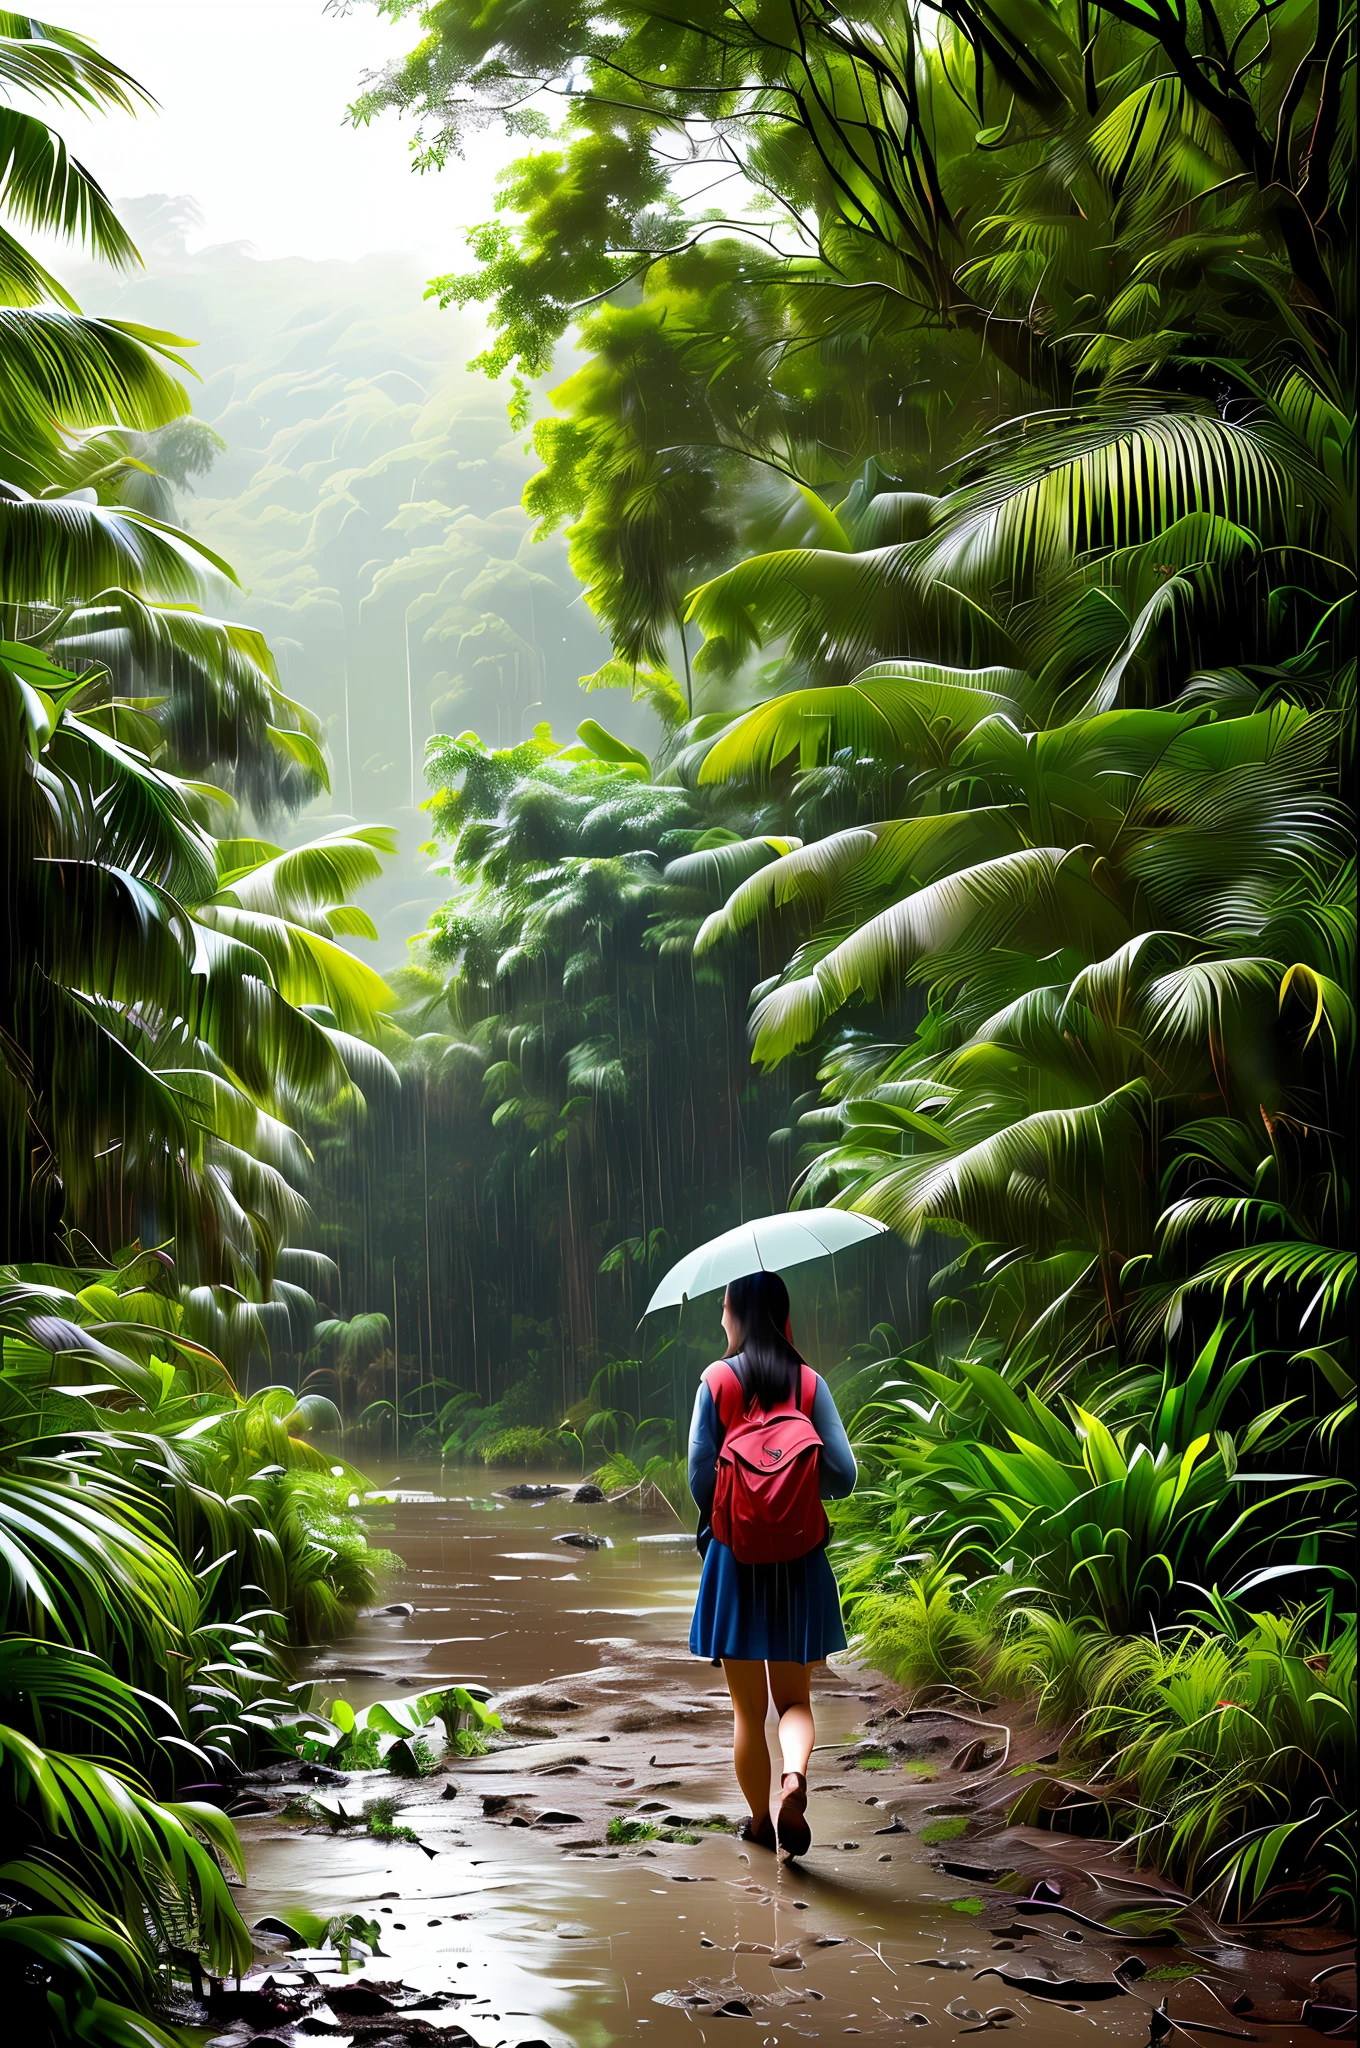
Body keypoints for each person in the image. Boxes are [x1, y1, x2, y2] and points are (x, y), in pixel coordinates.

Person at [687, 1270, 857, 1858]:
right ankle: (794, 1779)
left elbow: (698, 1476)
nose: (720, 1316)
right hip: (799, 1560)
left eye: (722, 1306)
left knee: (746, 1711)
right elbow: (845, 1474)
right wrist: (796, 1493)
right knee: (794, 1702)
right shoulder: (810, 1385)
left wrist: (736, 1511)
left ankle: (760, 1823)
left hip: (735, 1560)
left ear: (735, 1312)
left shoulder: (716, 1382)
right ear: (783, 1317)